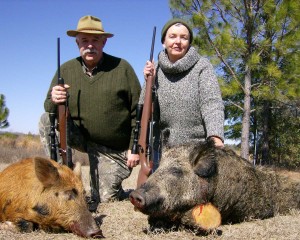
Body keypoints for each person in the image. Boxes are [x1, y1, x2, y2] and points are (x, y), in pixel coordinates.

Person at [39, 15, 141, 211]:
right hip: (82, 138)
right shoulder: (66, 69)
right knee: (45, 120)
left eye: (95, 40)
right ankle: (59, 178)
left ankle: (116, 189)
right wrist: (54, 98)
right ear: (77, 42)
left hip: (113, 148)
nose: (90, 45)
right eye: (84, 40)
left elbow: (139, 111)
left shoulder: (123, 68)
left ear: (104, 41)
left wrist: (133, 147)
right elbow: (48, 109)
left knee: (103, 198)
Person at [140, 18, 224, 165]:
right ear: (163, 42)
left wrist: (215, 138)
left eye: (183, 37)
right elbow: (144, 111)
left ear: (189, 42)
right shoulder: (155, 69)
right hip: (162, 151)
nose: (178, 41)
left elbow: (212, 104)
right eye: (172, 36)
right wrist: (149, 83)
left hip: (197, 151)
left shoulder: (202, 66)